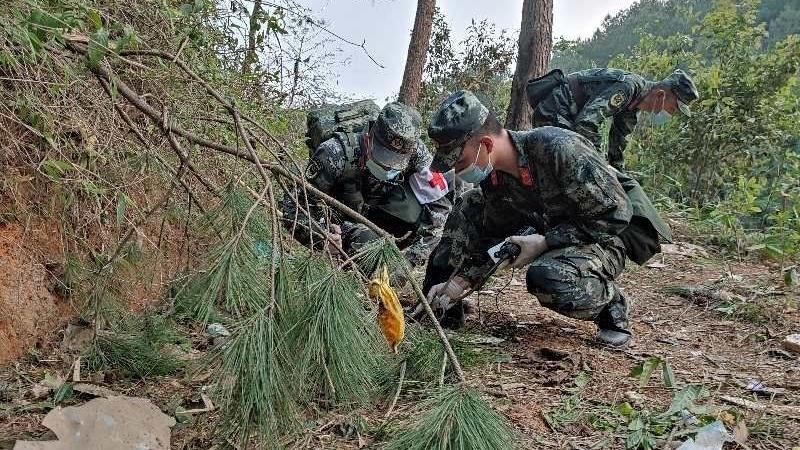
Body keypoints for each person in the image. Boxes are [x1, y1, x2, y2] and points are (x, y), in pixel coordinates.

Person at [423, 90, 671, 347]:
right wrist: (460, 281)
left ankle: (612, 306)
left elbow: (616, 214)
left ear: (486, 145)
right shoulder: (495, 179)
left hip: (607, 234)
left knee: (548, 277)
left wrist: (545, 243)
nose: (457, 170)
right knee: (470, 203)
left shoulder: (558, 148)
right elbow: (494, 236)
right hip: (553, 228)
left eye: (459, 160)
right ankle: (441, 309)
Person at [283, 102, 452, 273]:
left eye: (396, 162)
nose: (388, 167)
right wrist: (321, 237)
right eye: (383, 157)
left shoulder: (419, 155)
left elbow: (440, 210)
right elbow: (292, 209)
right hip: (342, 219)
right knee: (366, 241)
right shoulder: (334, 153)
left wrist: (409, 262)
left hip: (384, 214)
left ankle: (384, 260)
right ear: (369, 137)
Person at [526, 68, 699, 169]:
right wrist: (600, 165)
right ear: (661, 95)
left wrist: (618, 176)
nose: (672, 113)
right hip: (555, 110)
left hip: (568, 116)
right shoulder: (628, 88)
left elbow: (617, 147)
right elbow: (586, 124)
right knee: (563, 165)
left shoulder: (632, 108)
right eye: (674, 107)